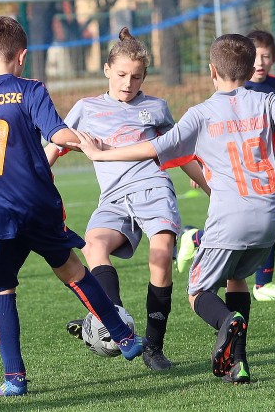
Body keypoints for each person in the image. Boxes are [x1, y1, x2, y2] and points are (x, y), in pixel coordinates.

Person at [69, 33, 275, 384]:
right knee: (237, 278)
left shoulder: (200, 114)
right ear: (249, 69)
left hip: (229, 217)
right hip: (269, 217)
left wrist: (102, 153)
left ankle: (225, 321)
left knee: (198, 293)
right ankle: (237, 363)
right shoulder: (267, 101)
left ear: (212, 71)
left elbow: (154, 148)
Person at [0, 16, 144, 397]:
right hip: (34, 205)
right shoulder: (30, 90)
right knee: (71, 269)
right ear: (22, 56)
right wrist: (94, 144)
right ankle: (123, 337)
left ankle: (14, 378)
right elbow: (58, 134)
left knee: (1, 290)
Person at [46, 27, 209, 371]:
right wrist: (34, 177)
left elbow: (178, 152)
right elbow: (56, 146)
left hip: (153, 190)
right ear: (107, 70)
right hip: (113, 199)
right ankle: (115, 323)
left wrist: (210, 187)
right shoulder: (86, 109)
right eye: (121, 75)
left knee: (161, 256)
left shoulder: (156, 108)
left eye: (136, 77)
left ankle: (154, 347)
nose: (128, 83)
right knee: (93, 245)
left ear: (144, 77)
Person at [176, 29, 275, 302]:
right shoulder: (233, 87)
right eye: (257, 57)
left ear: (274, 59)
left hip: (261, 166)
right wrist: (200, 165)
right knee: (237, 226)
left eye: (266, 57)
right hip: (231, 170)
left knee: (263, 221)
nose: (261, 63)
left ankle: (260, 282)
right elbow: (212, 131)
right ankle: (201, 243)